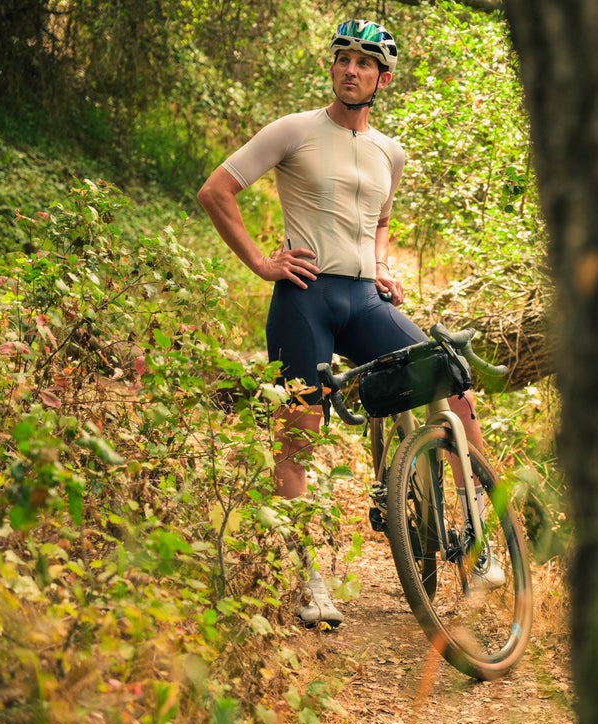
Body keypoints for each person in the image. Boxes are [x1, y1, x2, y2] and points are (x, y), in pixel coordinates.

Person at [197, 19, 496, 629]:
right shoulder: (296, 130)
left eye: (365, 63)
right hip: (304, 300)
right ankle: (307, 583)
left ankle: (479, 540)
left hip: (364, 300)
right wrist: (260, 261)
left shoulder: (391, 152)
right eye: (344, 59)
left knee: (454, 383)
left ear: (383, 78)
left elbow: (380, 218)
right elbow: (215, 191)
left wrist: (383, 262)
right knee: (300, 433)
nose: (351, 70)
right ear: (333, 67)